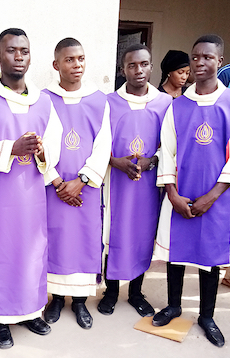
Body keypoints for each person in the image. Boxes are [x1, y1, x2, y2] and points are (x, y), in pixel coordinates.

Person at [0, 28, 62, 349]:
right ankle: (0, 319)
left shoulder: (44, 102)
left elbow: (55, 146)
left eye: (24, 50)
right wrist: (12, 147)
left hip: (33, 194)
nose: (18, 56)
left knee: (33, 252)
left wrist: (42, 152)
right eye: (11, 51)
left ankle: (31, 311)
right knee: (1, 254)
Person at [153, 34, 230, 348]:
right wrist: (172, 194)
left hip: (217, 198)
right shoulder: (178, 106)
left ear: (219, 62)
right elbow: (167, 151)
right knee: (177, 252)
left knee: (210, 257)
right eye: (195, 57)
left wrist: (212, 196)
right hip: (182, 195)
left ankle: (207, 315)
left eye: (207, 57)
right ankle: (173, 305)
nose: (200, 63)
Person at [42, 38, 111, 329]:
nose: (77, 65)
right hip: (54, 188)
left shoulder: (98, 100)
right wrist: (58, 182)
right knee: (57, 240)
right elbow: (39, 144)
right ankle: (57, 298)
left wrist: (81, 181)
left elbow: (103, 145)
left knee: (83, 240)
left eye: (81, 59)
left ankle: (81, 301)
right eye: (70, 60)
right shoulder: (43, 99)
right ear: (57, 65)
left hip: (85, 189)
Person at [99, 44, 172, 317]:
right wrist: (114, 161)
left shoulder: (164, 103)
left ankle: (136, 292)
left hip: (147, 184)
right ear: (123, 70)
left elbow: (169, 145)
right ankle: (111, 291)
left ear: (152, 67)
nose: (138, 70)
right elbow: (98, 142)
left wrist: (151, 161)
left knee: (142, 234)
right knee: (114, 233)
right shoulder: (109, 102)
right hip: (116, 182)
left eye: (144, 64)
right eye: (132, 65)